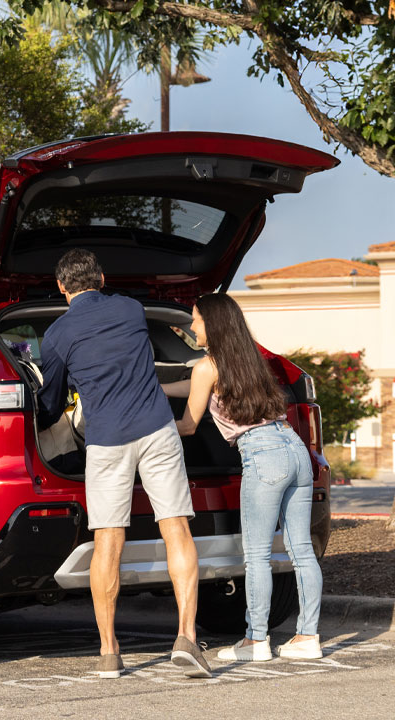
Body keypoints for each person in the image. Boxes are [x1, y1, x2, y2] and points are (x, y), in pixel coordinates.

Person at [37, 249, 210, 679]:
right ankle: (186, 637)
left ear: (61, 287)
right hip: (157, 428)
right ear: (101, 276)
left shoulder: (56, 335)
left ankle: (109, 651)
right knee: (176, 526)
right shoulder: (131, 308)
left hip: (106, 440)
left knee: (108, 541)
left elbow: (52, 400)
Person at [163, 293, 323, 661]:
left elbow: (188, 425)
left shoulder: (208, 366)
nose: (192, 326)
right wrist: (157, 388)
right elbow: (195, 384)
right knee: (301, 551)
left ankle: (256, 641)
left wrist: (151, 426)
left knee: (256, 556)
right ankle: (308, 637)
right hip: (294, 448)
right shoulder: (250, 360)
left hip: (262, 456)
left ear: (213, 323)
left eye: (196, 319)